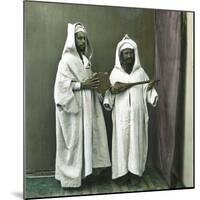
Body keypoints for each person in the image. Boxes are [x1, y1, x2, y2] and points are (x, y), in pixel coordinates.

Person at [54, 22, 111, 188]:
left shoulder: (86, 60)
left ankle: (86, 174)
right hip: (75, 107)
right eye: (79, 38)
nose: (82, 42)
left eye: (84, 39)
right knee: (75, 141)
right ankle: (72, 178)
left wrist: (100, 83)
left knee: (89, 139)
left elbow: (89, 81)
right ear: (73, 39)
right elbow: (60, 87)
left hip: (89, 106)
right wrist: (82, 85)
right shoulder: (65, 61)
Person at [103, 35, 158, 185]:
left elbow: (147, 90)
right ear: (120, 55)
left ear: (135, 54)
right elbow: (110, 92)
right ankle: (121, 174)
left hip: (137, 117)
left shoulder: (141, 73)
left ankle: (135, 173)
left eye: (131, 53)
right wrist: (108, 102)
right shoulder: (115, 74)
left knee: (136, 144)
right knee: (122, 144)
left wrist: (151, 90)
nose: (129, 56)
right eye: (126, 53)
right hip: (121, 117)